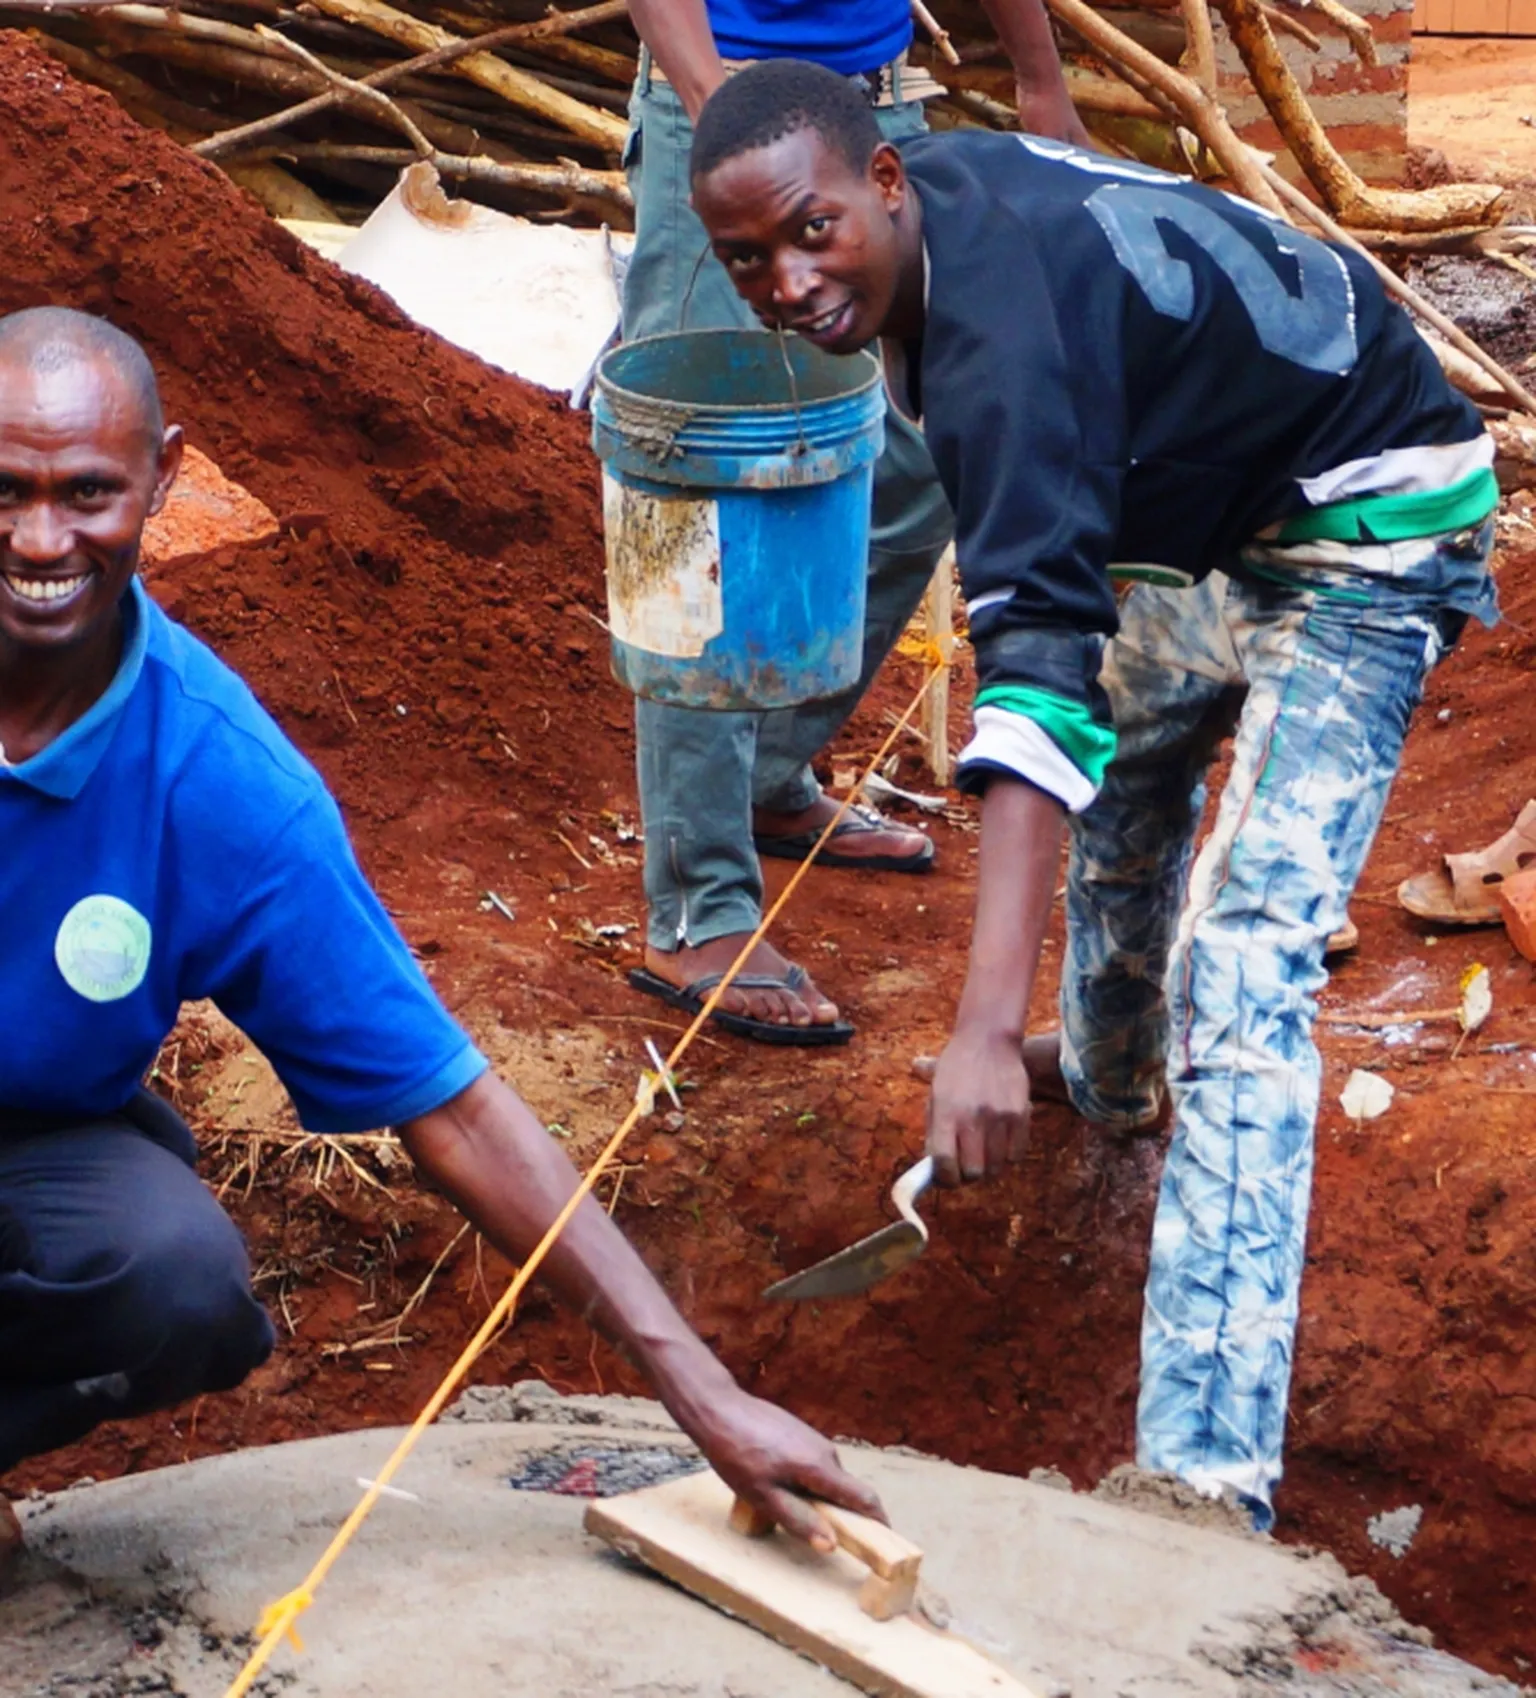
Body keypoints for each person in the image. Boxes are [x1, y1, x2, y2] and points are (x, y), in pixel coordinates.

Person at [686, 61, 1498, 1526]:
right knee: (1127, 757)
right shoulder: (933, 237)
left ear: (885, 183)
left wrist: (981, 1025)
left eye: (810, 233)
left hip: (1372, 515)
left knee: (1247, 968)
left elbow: (1034, 671)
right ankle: (1119, 1069)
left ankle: (1203, 1487)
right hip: (1222, 510)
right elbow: (1059, 636)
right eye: (748, 257)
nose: (787, 281)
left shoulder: (1000, 343)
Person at [0, 306, 881, 1576]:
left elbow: (453, 1110)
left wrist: (702, 1394)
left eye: (86, 492)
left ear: (165, 477)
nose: (41, 539)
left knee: (173, 1278)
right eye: (7, 490)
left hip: (33, 1138)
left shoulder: (217, 783)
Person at [618, 0, 1087, 1046]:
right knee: (694, 495)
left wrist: (1040, 77)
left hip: (871, 117)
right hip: (721, 104)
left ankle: (768, 771)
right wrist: (715, 121)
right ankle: (699, 909)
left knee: (920, 453)